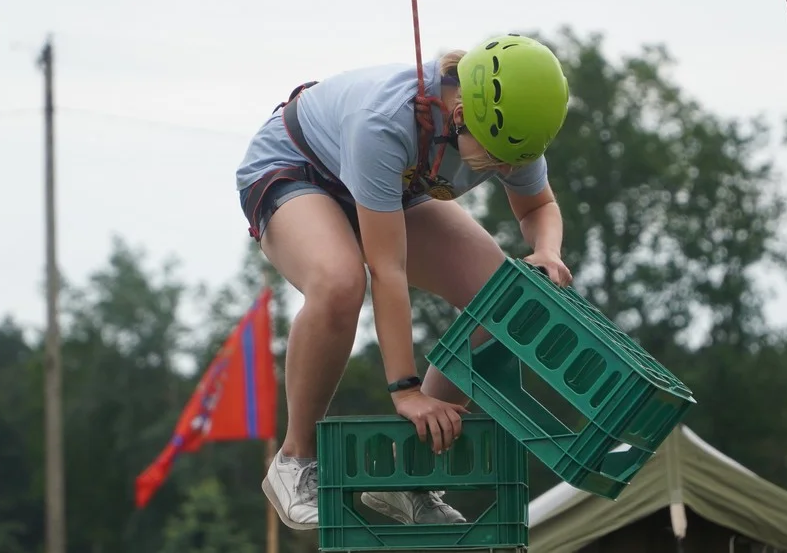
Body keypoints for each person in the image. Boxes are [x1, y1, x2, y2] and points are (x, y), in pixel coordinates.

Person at [235, 33, 574, 530]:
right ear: (462, 114)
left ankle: (408, 475)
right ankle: (295, 460)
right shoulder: (384, 122)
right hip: (299, 169)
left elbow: (538, 206)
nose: (504, 170)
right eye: (495, 158)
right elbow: (386, 269)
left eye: (511, 161)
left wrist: (547, 251)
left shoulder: (516, 129)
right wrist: (406, 391)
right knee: (339, 280)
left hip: (396, 184)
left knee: (503, 297)